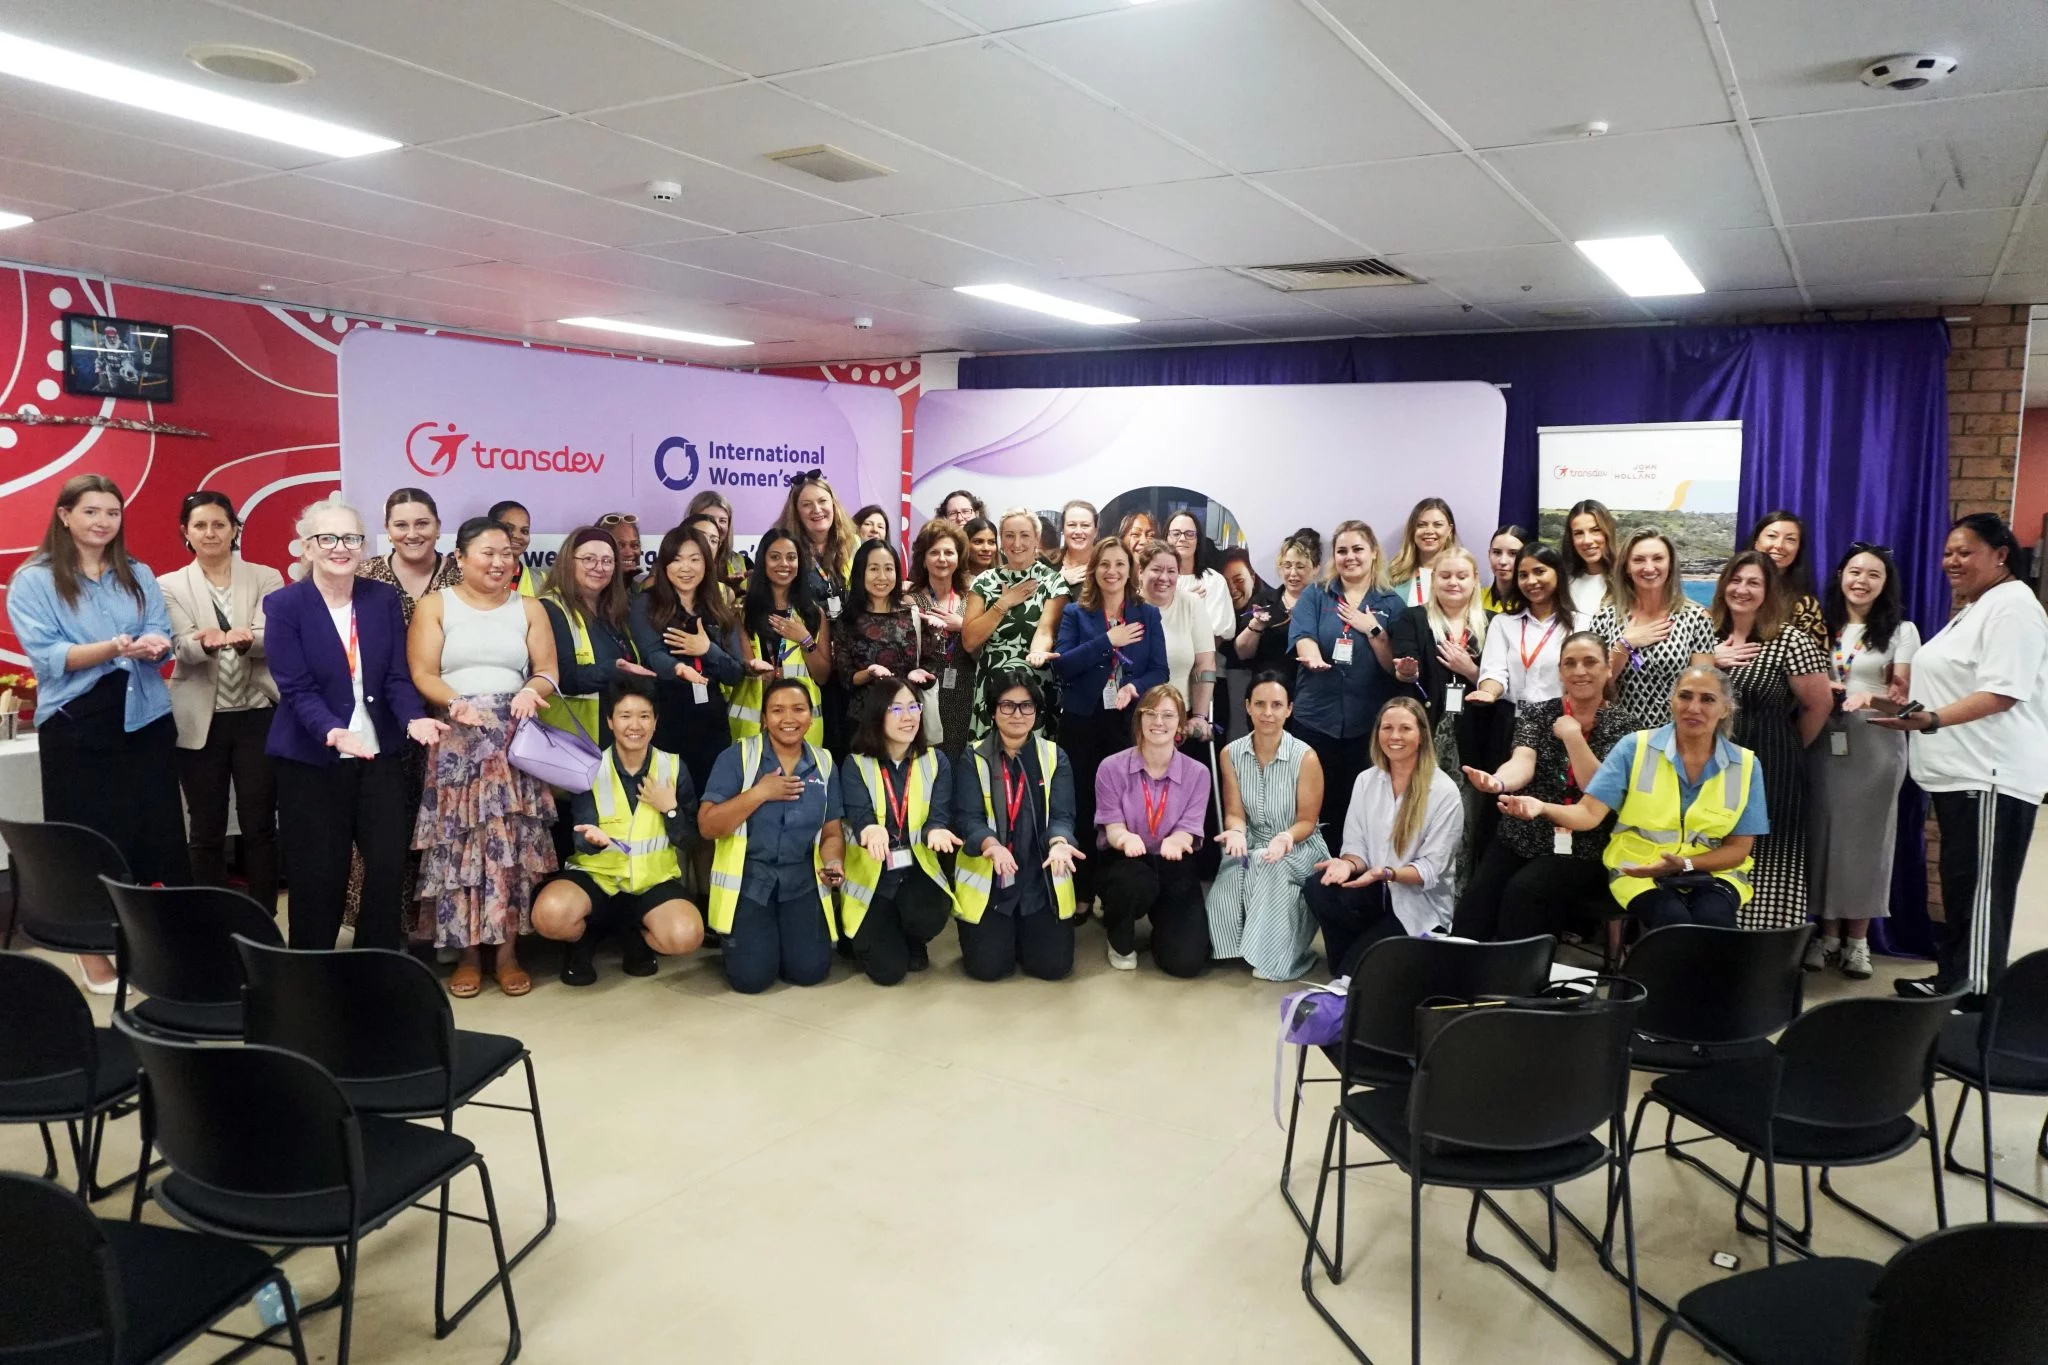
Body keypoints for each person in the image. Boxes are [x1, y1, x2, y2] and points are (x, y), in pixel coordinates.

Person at [7, 475, 190, 989]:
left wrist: (154, 645)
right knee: (91, 844)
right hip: (79, 726)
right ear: (65, 515)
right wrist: (114, 648)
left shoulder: (137, 572)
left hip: (147, 718)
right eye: (91, 511)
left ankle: (155, 950)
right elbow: (49, 657)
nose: (103, 521)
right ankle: (94, 958)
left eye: (112, 512)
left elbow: (161, 630)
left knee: (156, 838)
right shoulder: (35, 580)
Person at [1874, 514, 2048, 999]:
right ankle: (1954, 981)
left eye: (1965, 552)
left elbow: (2002, 692)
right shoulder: (1980, 606)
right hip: (1962, 774)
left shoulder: (2012, 607)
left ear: (2001, 554)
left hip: (1992, 775)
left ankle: (1974, 998)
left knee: (1980, 894)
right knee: (1962, 887)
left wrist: (1930, 720)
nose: (1952, 561)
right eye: (1949, 552)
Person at [263, 497, 444, 952]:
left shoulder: (380, 598)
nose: (339, 547)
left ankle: (376, 962)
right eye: (327, 538)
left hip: (378, 753)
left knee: (386, 864)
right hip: (312, 759)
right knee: (320, 871)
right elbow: (296, 688)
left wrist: (413, 718)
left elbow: (397, 678)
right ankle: (311, 968)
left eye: (350, 538)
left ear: (363, 546)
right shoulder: (284, 605)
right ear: (306, 548)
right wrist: (332, 730)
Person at [408, 517, 562, 998]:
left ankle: (508, 952)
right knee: (460, 849)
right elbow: (422, 671)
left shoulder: (530, 608)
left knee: (511, 848)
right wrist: (455, 703)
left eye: (507, 553)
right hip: (458, 739)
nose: (499, 562)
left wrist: (531, 691)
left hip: (515, 741)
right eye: (487, 552)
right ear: (460, 557)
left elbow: (548, 670)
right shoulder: (436, 606)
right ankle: (468, 954)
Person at [1506, 664, 1766, 931]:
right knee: (1674, 923)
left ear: (1726, 709)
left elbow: (1738, 848)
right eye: (1685, 696)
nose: (1694, 708)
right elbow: (1588, 814)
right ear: (1672, 700)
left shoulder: (1745, 764)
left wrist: (1687, 863)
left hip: (1712, 871)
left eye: (1708, 699)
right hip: (1639, 870)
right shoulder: (1635, 747)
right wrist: (1541, 807)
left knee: (1715, 922)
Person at [1456, 632, 1636, 942]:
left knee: (1525, 894)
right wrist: (1498, 782)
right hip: (1524, 831)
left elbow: (1596, 788)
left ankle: (1517, 984)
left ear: (1608, 668)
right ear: (1561, 672)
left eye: (1590, 662)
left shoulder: (1625, 727)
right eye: (1570, 663)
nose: (1579, 671)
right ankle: (1461, 980)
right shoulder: (1538, 713)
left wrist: (1572, 736)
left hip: (1582, 845)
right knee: (1477, 901)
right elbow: (1522, 762)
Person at [532, 678, 704, 986]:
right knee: (549, 915)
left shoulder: (674, 767)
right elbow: (580, 838)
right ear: (610, 721)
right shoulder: (591, 767)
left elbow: (689, 839)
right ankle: (582, 941)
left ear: (655, 722)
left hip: (652, 881)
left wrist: (671, 810)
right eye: (625, 716)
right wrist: (594, 841)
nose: (634, 725)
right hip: (598, 877)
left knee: (685, 936)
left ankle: (633, 935)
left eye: (644, 716)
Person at [161, 491, 282, 913]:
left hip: (257, 716)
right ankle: (211, 920)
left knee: (260, 826)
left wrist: (247, 640)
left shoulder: (266, 576)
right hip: (199, 722)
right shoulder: (169, 585)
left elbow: (274, 639)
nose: (210, 533)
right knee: (206, 830)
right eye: (200, 525)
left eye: (219, 524)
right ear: (186, 533)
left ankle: (263, 917)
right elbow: (181, 645)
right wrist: (205, 643)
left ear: (234, 529)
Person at [352, 487, 464, 936]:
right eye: (401, 524)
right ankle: (386, 927)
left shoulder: (463, 573)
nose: (412, 533)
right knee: (386, 830)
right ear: (387, 529)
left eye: (422, 523)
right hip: (381, 719)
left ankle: (440, 928)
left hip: (450, 718)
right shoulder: (365, 574)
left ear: (438, 526)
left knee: (442, 826)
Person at [1805, 543, 1918, 978]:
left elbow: (1902, 701)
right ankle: (1826, 935)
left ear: (1885, 584)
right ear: (1839, 575)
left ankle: (1858, 940)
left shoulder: (1900, 630)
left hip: (1875, 745)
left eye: (1874, 574)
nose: (1862, 580)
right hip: (1824, 740)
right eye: (1855, 571)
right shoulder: (1820, 626)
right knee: (1825, 837)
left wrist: (1869, 695)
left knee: (1868, 844)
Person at [697, 677, 846, 994]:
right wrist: (759, 793)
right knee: (751, 980)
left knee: (810, 972)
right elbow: (708, 826)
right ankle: (749, 941)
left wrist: (833, 860)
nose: (789, 719)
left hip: (801, 881)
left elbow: (832, 830)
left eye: (798, 709)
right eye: (777, 710)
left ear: (811, 715)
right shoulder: (736, 758)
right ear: (764, 718)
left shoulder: (825, 763)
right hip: (750, 882)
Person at [1709, 551, 1831, 930]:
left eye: (1753, 582)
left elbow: (1819, 704)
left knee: (1769, 859)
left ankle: (1764, 957)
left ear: (1768, 591)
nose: (1742, 590)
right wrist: (1711, 660)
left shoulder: (1789, 639)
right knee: (1714, 854)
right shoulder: (1705, 635)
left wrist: (1787, 749)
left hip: (1771, 766)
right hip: (1709, 767)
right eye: (1736, 580)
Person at [1301, 697, 1464, 974]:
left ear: (1422, 735)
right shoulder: (1366, 780)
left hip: (1418, 905)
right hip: (1376, 891)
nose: (1395, 736)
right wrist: (1347, 864)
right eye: (1387, 728)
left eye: (1405, 728)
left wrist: (1387, 873)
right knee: (1319, 886)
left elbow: (1429, 870)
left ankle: (1373, 952)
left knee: (1355, 976)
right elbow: (1356, 847)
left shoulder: (1444, 791)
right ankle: (1362, 949)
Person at [1054, 538, 1168, 906]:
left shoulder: (1146, 614)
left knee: (1123, 808)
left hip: (1126, 723)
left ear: (1130, 570)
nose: (1112, 571)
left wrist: (1134, 686)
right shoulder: (1076, 612)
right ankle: (1084, 891)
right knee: (1084, 804)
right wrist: (1108, 639)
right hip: (1082, 721)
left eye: (1120, 564)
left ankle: (1115, 892)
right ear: (1094, 569)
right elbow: (1064, 666)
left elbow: (1160, 669)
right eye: (1104, 564)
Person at [951, 672, 1082, 981]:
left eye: (1026, 706)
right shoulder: (973, 757)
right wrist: (991, 845)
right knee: (989, 969)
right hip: (992, 883)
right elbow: (968, 818)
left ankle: (1027, 932)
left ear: (1036, 712)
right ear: (993, 711)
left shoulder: (1054, 756)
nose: (1017, 714)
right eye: (1007, 705)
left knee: (1053, 968)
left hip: (1038, 879)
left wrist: (1061, 842)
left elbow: (1063, 816)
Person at [1287, 519, 1404, 843]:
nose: (1349, 557)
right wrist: (1312, 657)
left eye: (1357, 549)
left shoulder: (1391, 603)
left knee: (1359, 808)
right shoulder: (1316, 594)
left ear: (1373, 553)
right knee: (1312, 806)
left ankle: (1352, 875)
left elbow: (1395, 666)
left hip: (1366, 723)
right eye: (1342, 551)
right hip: (1315, 719)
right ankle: (1310, 878)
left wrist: (1373, 630)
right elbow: (1303, 636)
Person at [1207, 673, 1328, 981]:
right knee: (1233, 869)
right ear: (1247, 707)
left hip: (1298, 844)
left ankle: (1277, 958)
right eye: (1259, 704)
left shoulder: (1306, 757)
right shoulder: (1230, 753)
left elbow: (1307, 821)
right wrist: (1235, 831)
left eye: (1277, 705)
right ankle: (1237, 947)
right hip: (1253, 839)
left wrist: (1285, 838)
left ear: (1289, 709)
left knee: (1266, 865)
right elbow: (1234, 813)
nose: (1268, 713)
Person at [840, 682, 958, 985]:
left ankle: (911, 936)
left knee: (932, 911)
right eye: (896, 708)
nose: (908, 717)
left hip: (915, 871)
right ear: (877, 714)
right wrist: (870, 829)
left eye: (913, 707)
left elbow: (938, 816)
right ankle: (862, 936)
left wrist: (937, 831)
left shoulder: (936, 762)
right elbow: (860, 814)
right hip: (873, 878)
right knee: (888, 972)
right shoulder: (856, 764)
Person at [1090, 684, 1212, 975]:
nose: (1159, 722)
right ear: (1139, 720)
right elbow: (1113, 827)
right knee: (1131, 881)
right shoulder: (1111, 768)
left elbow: (1190, 827)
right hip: (1126, 861)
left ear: (1180, 724)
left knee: (1187, 962)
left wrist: (1179, 839)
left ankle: (1165, 929)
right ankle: (1119, 936)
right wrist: (1124, 838)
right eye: (1150, 713)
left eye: (1168, 715)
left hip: (1173, 862)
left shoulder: (1198, 773)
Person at [1390, 546, 1491, 877]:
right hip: (1428, 731)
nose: (1453, 583)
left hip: (1474, 737)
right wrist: (1407, 671)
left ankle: (1460, 897)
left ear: (1475, 580)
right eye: (1445, 576)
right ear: (1434, 580)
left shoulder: (1491, 624)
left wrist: (1470, 670)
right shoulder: (1414, 618)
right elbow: (1403, 671)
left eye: (1462, 576)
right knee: (1421, 815)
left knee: (1467, 819)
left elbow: (1500, 681)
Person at [629, 525, 744, 796]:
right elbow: (652, 655)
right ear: (664, 564)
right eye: (677, 559)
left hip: (711, 722)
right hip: (664, 718)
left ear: (707, 563)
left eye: (695, 559)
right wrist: (679, 668)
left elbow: (735, 672)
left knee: (714, 801)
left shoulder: (717, 607)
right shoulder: (646, 604)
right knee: (670, 803)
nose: (686, 568)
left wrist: (706, 649)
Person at [538, 526, 653, 750]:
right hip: (570, 743)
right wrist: (614, 669)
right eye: (589, 559)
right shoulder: (551, 607)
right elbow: (561, 678)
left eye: (607, 561)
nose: (599, 568)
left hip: (617, 739)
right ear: (568, 562)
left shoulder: (617, 609)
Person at [1590, 529, 1717, 724]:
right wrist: (1624, 645)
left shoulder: (1697, 619)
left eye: (1658, 558)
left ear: (1671, 564)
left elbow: (1703, 690)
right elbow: (1594, 687)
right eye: (1639, 560)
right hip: (1616, 736)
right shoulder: (1604, 618)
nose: (1649, 568)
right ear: (1626, 567)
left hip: (1674, 736)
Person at [963, 508, 1068, 736]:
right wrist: (1004, 603)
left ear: (1036, 539)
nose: (1017, 543)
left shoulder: (1053, 581)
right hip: (991, 685)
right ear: (1001, 540)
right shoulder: (984, 581)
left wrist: (1037, 653)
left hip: (1034, 681)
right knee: (988, 764)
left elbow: (1046, 631)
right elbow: (970, 641)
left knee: (1033, 766)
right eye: (1009, 535)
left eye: (1024, 535)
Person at [730, 527, 830, 748]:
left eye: (791, 557)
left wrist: (804, 639)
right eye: (775, 557)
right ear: (763, 562)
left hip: (801, 726)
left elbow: (822, 676)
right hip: (754, 724)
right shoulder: (745, 611)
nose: (784, 564)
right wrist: (756, 671)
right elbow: (742, 665)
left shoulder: (813, 613)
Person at [833, 539, 943, 724]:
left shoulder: (912, 614)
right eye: (874, 569)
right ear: (861, 573)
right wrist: (870, 673)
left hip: (907, 717)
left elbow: (931, 665)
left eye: (889, 569)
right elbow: (846, 679)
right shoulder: (848, 619)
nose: (882, 577)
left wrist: (921, 675)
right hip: (865, 720)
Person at [1472, 543, 1575, 709]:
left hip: (1560, 716)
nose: (1531, 581)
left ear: (1558, 573)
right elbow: (1494, 671)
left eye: (1539, 572)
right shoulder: (1503, 622)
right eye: (1523, 575)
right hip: (1510, 717)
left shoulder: (1579, 623)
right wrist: (1488, 692)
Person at [1137, 539, 1218, 747]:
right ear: (1140, 571)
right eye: (1156, 569)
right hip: (1133, 717)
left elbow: (1205, 664)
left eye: (1172, 571)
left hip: (1179, 721)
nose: (1164, 577)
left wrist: (1200, 716)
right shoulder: (1128, 606)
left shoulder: (1191, 604)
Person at [908, 518, 976, 758]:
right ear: (923, 560)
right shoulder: (910, 599)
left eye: (949, 552)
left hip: (963, 691)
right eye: (934, 552)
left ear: (959, 558)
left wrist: (962, 627)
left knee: (959, 761)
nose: (942, 559)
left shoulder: (972, 599)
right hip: (923, 691)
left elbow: (982, 649)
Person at [1751, 509, 1828, 644]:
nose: (1779, 545)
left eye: (1790, 539)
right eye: (1772, 536)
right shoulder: (1733, 591)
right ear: (1756, 542)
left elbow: (1815, 661)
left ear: (1798, 549)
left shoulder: (1805, 606)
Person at [1163, 510, 1235, 639]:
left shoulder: (1214, 581)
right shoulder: (1156, 580)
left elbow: (1218, 635)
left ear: (1198, 541)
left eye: (1190, 534)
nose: (1182, 538)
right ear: (1166, 538)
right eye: (1176, 533)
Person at [1386, 496, 1458, 608]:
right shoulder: (1393, 573)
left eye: (1437, 525)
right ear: (1412, 530)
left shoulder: (1460, 574)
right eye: (1421, 525)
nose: (1429, 531)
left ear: (1449, 530)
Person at [1563, 498, 1617, 619]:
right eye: (1578, 533)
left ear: (1608, 533)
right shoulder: (1563, 581)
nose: (1587, 541)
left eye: (1595, 530)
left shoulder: (1627, 579)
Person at [686, 489, 749, 590]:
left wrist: (734, 591)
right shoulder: (671, 562)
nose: (716, 526)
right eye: (708, 518)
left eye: (722, 521)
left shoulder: (743, 562)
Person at [487, 499, 540, 596]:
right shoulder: (470, 576)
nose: (518, 536)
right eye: (509, 529)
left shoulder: (542, 582)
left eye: (524, 531)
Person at [1480, 524, 1531, 615]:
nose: (1503, 561)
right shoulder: (1475, 598)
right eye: (1497, 552)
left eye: (1513, 553)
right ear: (1489, 554)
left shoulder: (1533, 604)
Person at [1052, 499, 1097, 588]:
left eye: (1085, 525)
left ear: (1095, 531)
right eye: (1072, 525)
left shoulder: (1107, 567)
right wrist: (1058, 581)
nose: (1078, 531)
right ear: (1063, 529)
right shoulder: (1047, 565)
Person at [599, 512, 644, 588]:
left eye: (634, 545)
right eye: (619, 546)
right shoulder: (591, 593)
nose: (629, 553)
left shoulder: (641, 593)